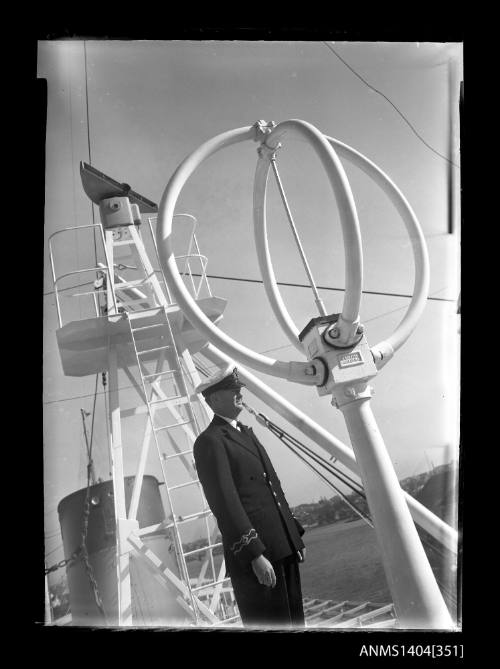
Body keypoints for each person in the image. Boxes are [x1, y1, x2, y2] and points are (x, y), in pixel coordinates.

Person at [193, 366, 306, 628]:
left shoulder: (246, 432)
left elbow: (273, 488)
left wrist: (293, 539)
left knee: (295, 622)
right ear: (214, 400)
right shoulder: (210, 441)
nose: (239, 393)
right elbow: (225, 502)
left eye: (239, 388)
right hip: (258, 553)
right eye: (232, 390)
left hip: (281, 547)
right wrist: (255, 554)